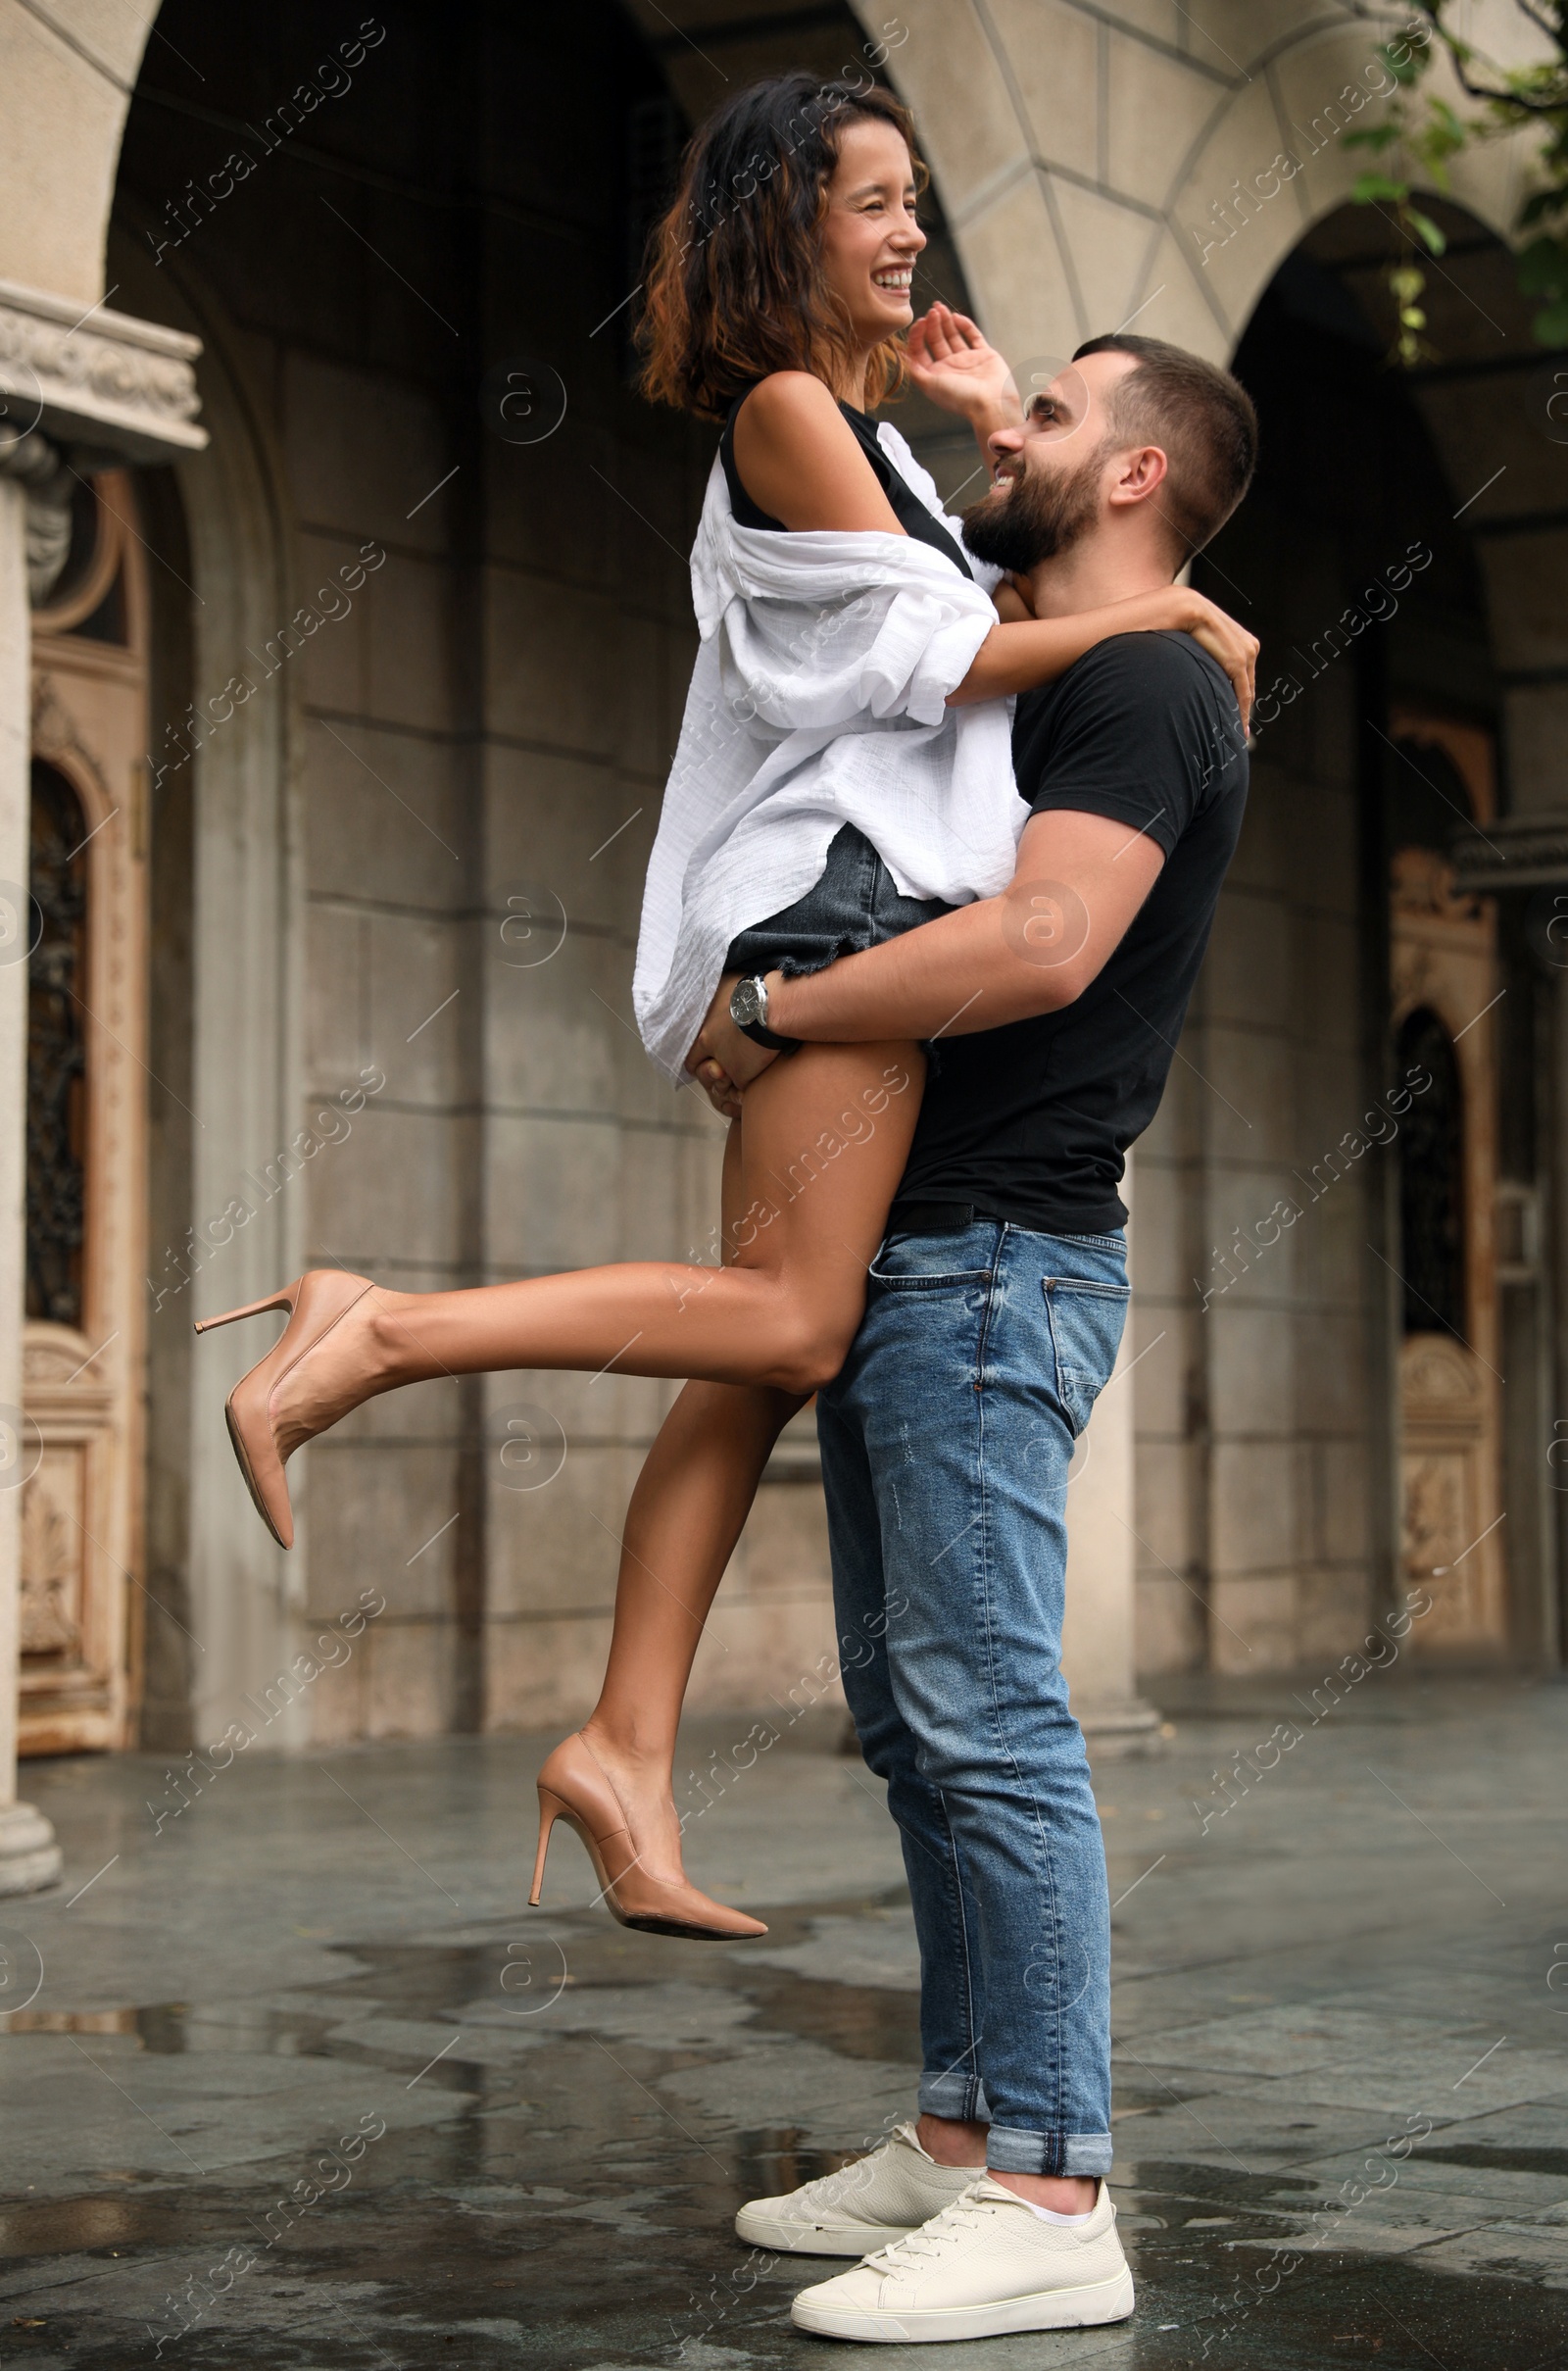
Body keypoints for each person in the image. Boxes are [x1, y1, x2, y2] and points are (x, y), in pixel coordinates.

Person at [195, 71, 1254, 1950]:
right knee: (783, 1318)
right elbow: (949, 661)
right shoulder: (783, 413)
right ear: (789, 223)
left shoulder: (875, 440)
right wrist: (1168, 619)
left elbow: (1028, 520)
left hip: (825, 900)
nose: (909, 230)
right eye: (872, 201)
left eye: (916, 196)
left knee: (763, 1356)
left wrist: (996, 419)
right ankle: (378, 1330)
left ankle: (623, 1743)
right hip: (817, 913)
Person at [686, 330, 1256, 2341]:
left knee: (994, 1718)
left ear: (1130, 479)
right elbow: (934, 594)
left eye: (1042, 416)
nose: (991, 433)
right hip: (925, 1253)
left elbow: (1040, 942)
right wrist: (985, 411)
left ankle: (1050, 2188)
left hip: (994, 1262)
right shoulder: (1084, 646)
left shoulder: (1148, 678)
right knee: (914, 1712)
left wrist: (774, 1014)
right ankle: (953, 2133)